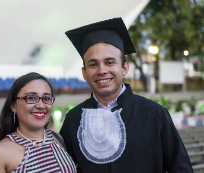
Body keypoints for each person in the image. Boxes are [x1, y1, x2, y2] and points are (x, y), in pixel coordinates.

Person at [60, 18, 193, 173]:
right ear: (84, 73)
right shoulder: (74, 120)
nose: (101, 70)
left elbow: (181, 169)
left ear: (124, 68)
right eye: (93, 64)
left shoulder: (154, 114)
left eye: (110, 62)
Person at [0, 72, 76, 173]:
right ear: (13, 106)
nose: (41, 105)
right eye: (31, 98)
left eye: (46, 98)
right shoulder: (0, 153)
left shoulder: (57, 139)